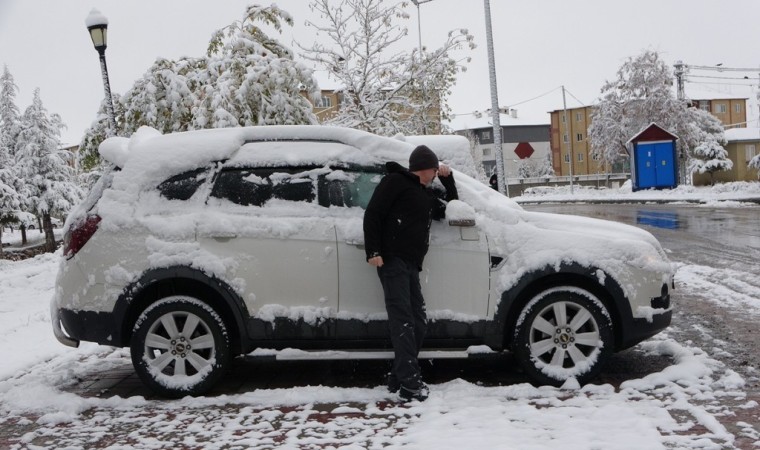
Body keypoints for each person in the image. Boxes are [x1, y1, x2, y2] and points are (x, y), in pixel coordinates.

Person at [363, 145, 458, 402]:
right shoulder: (395, 181)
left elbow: (449, 209)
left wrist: (449, 181)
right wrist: (373, 251)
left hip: (411, 264)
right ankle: (410, 385)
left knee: (418, 321)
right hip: (392, 260)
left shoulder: (424, 194)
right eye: (435, 169)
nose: (436, 174)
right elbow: (373, 213)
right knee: (403, 320)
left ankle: (398, 378)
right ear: (425, 167)